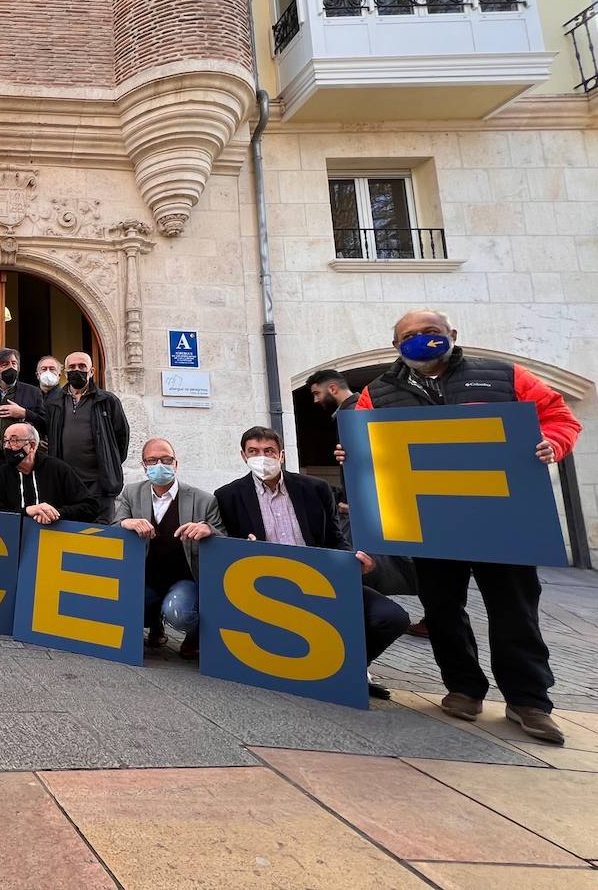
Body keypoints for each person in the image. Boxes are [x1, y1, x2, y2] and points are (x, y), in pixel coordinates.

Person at [346, 309, 583, 743]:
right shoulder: (377, 392)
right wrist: (355, 454)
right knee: (441, 608)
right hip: (430, 521)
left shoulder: (503, 376)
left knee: (514, 608)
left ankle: (528, 700)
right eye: (410, 336)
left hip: (501, 516)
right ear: (396, 345)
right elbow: (364, 448)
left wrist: (553, 443)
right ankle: (462, 689)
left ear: (451, 335)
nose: (421, 340)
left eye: (431, 332)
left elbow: (560, 417)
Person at [215, 425, 408, 701]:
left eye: (268, 451)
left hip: (321, 581)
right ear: (243, 456)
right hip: (267, 588)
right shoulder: (227, 496)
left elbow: (335, 537)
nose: (262, 457)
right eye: (254, 452)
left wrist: (353, 560)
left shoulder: (314, 489)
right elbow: (227, 549)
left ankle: (349, 668)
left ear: (281, 455)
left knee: (392, 618)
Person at [310, 367, 427, 637]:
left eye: (317, 393)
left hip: (369, 507)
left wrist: (361, 502)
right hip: (366, 503)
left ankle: (359, 616)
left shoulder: (355, 413)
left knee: (368, 562)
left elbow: (376, 463)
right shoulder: (355, 413)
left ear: (333, 388)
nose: (315, 401)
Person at [113, 438, 225, 659]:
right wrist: (127, 523)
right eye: (152, 460)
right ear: (144, 465)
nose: (159, 465)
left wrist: (207, 529)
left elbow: (223, 539)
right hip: (146, 576)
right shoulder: (131, 493)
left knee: (180, 612)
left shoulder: (204, 500)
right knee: (126, 604)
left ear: (176, 463)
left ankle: (194, 637)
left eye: (166, 459)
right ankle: (156, 628)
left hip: (184, 578)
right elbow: (115, 526)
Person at [45, 352, 130, 522]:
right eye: (72, 367)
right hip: (66, 484)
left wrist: (109, 462)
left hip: (99, 485)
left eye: (82, 367)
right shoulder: (53, 403)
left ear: (92, 371)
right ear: (65, 372)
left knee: (100, 535)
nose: (77, 370)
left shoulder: (108, 401)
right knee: (68, 533)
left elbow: (122, 439)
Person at [0, 423, 98, 524]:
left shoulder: (58, 469)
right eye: (5, 441)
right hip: (14, 538)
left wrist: (54, 513)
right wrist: (28, 511)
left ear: (32, 446)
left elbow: (90, 507)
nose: (7, 446)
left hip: (51, 538)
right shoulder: (2, 473)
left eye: (14, 440)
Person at [0, 347, 47, 469]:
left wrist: (24, 413)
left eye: (14, 363)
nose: (11, 367)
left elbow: (44, 423)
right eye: (5, 364)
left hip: (19, 458)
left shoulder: (33, 392)